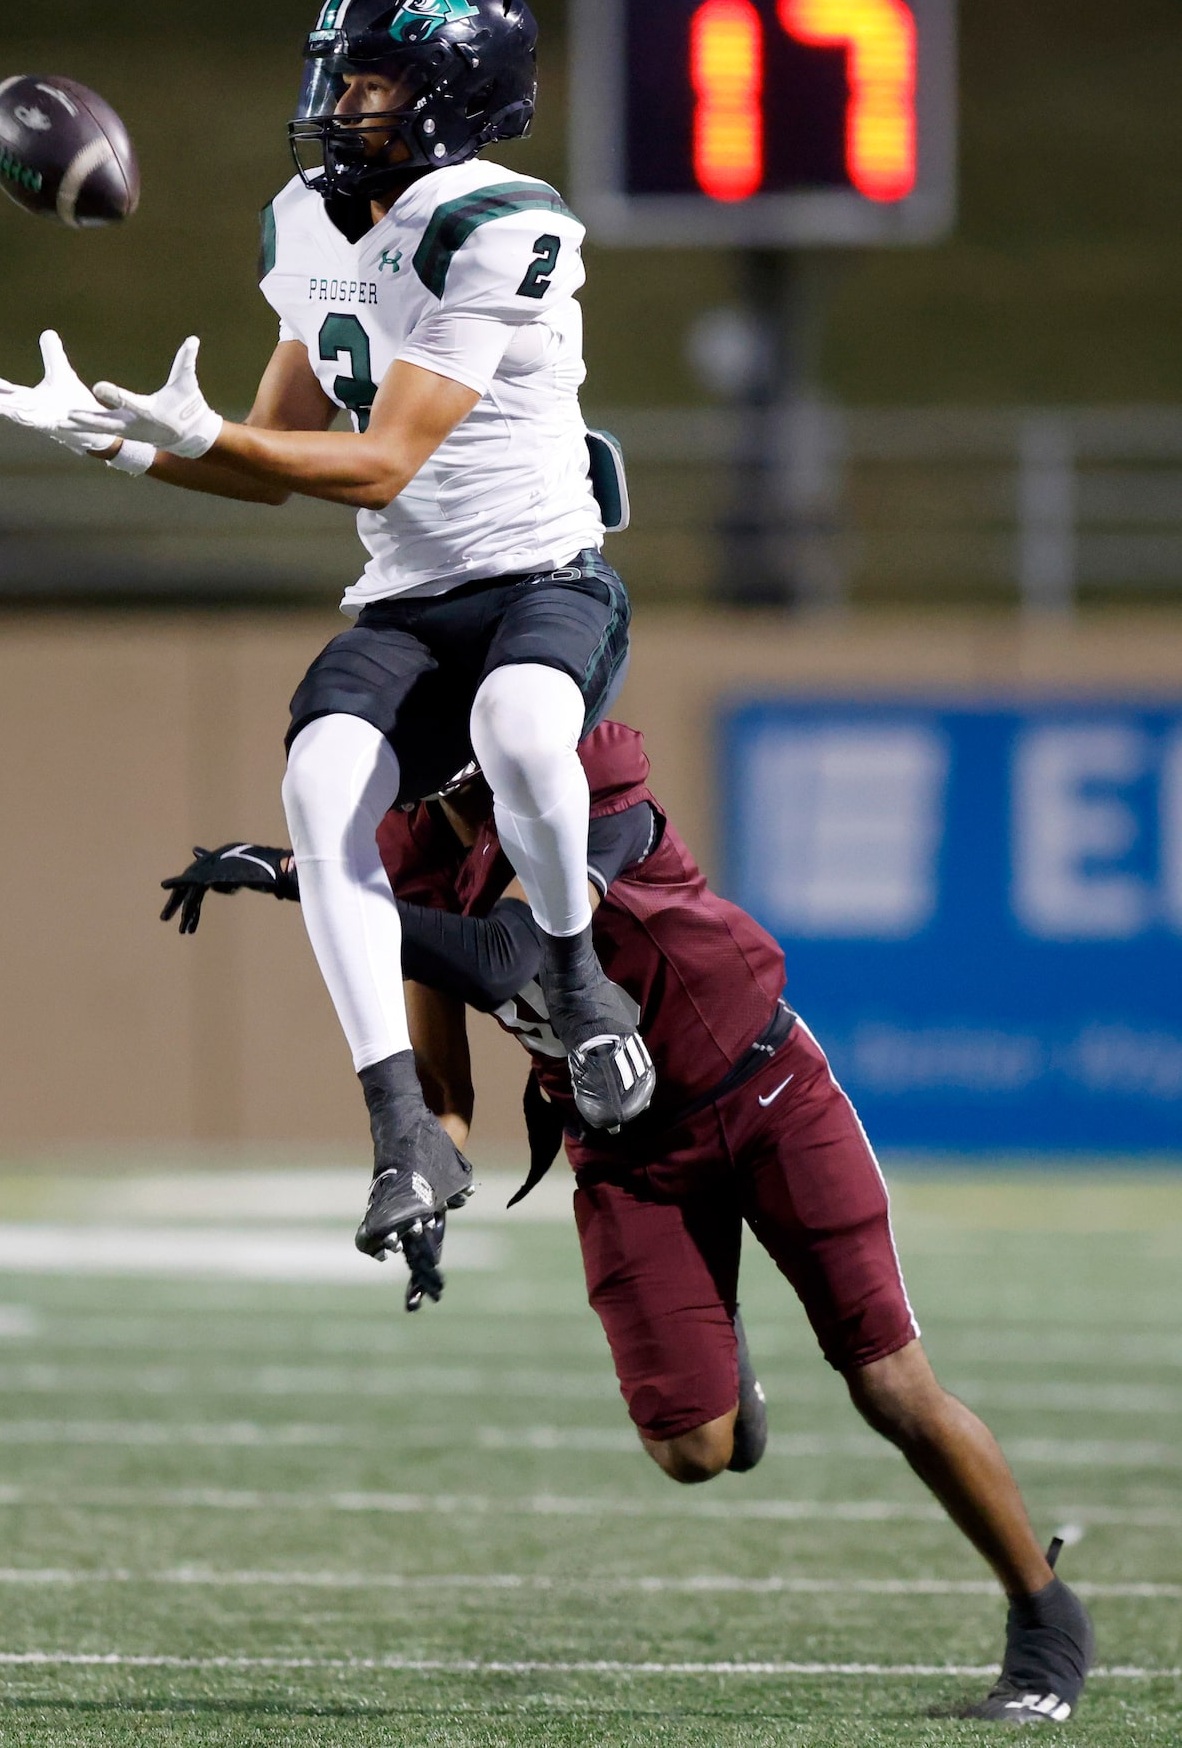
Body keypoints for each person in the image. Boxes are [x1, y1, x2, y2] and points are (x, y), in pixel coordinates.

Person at [0, 0, 652, 1302]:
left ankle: (574, 983)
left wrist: (206, 434)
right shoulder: (305, 221)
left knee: (516, 724)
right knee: (319, 777)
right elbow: (278, 453)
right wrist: (114, 441)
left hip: (538, 579)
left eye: (374, 77)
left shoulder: (497, 223)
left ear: (452, 95)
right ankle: (400, 1125)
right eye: (338, 72)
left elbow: (381, 460)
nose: (341, 101)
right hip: (400, 597)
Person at [159, 719, 1096, 1727]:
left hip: (762, 1095)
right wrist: (424, 1170)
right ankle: (718, 1331)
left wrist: (304, 878)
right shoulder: (406, 860)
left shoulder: (586, 778)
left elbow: (503, 953)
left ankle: (1045, 1622)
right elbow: (442, 1073)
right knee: (694, 1449)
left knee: (888, 1384)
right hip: (626, 1153)